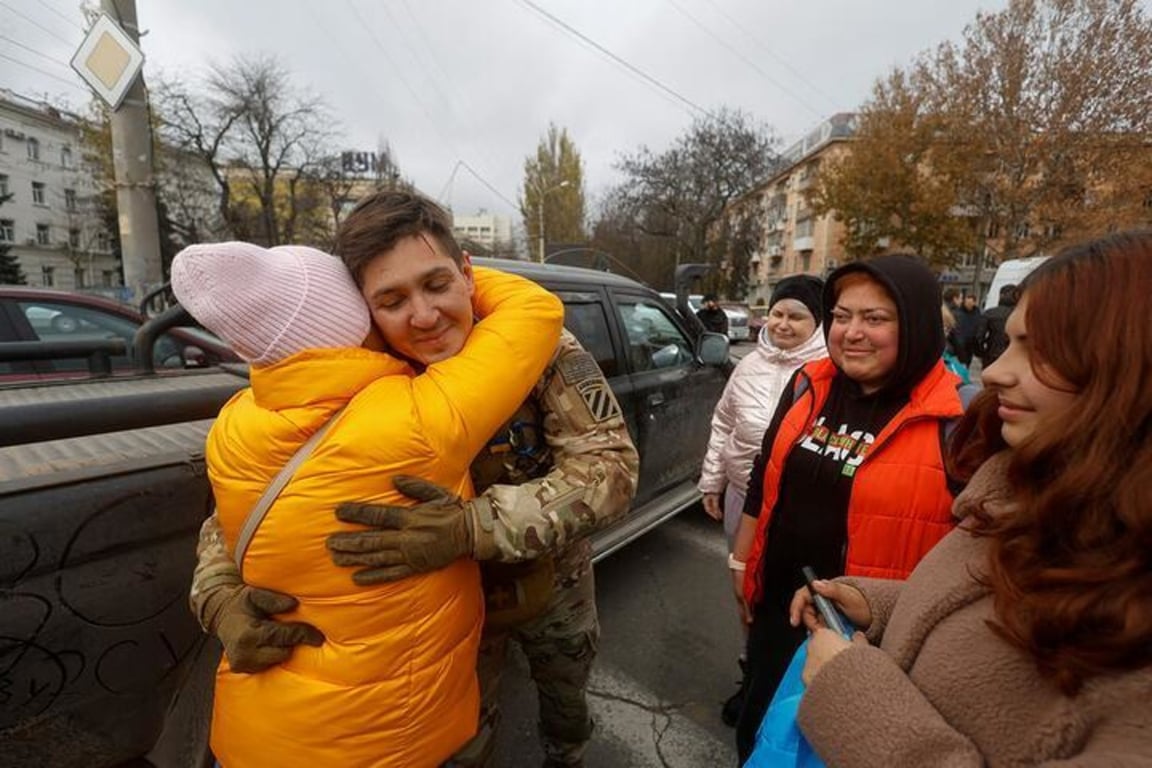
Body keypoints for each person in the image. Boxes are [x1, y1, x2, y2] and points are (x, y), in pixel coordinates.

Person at [188, 190, 639, 768]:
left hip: (550, 579)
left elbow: (610, 468)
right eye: (392, 300)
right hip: (435, 614)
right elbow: (249, 505)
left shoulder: (538, 349)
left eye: (436, 284)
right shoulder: (351, 370)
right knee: (465, 734)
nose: (423, 317)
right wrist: (220, 598)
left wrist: (472, 527)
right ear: (364, 310)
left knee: (565, 695)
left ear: (468, 274)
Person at [791, 231, 1152, 766]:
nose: (999, 372)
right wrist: (881, 605)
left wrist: (850, 693)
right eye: (1010, 343)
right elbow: (978, 606)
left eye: (1042, 351)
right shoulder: (1032, 488)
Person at [729, 254, 965, 762]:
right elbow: (763, 477)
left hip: (871, 639)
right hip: (781, 614)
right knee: (761, 737)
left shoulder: (960, 421)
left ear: (917, 324)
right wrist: (742, 562)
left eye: (875, 318)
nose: (851, 332)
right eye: (840, 316)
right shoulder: (806, 385)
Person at [696, 274, 827, 727]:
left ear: (819, 321)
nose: (783, 324)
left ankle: (790, 690)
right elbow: (723, 424)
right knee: (744, 589)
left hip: (797, 508)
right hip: (740, 497)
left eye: (797, 316)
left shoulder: (830, 370)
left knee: (792, 599)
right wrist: (711, 480)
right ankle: (750, 673)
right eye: (777, 313)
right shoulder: (748, 365)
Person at [974, 282, 1018, 366]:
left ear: (1001, 296)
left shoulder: (989, 313)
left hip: (992, 355)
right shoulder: (1022, 315)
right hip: (1014, 358)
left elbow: (978, 337)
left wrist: (982, 353)